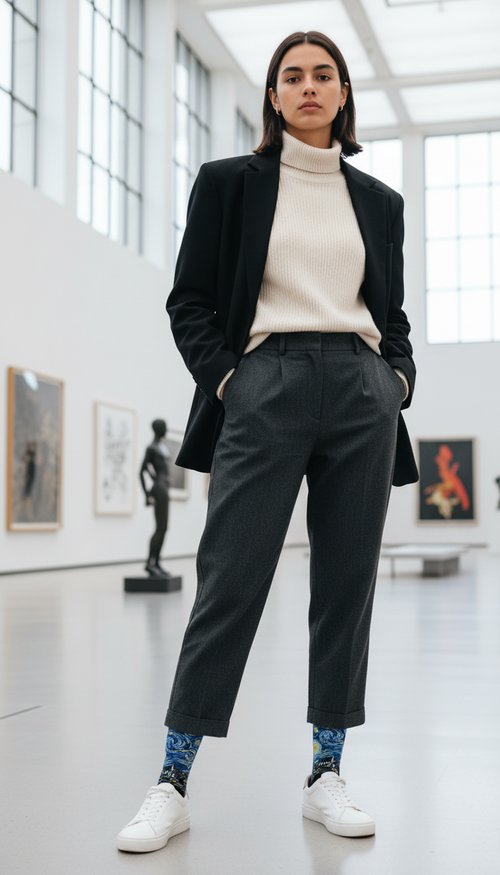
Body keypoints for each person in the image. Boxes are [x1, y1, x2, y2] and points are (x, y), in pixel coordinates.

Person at [117, 30, 418, 853]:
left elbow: (391, 318)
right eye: (293, 76)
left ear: (345, 94)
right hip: (265, 382)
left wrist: (396, 380)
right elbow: (190, 301)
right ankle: (172, 780)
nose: (309, 86)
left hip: (360, 390)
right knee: (230, 579)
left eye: (325, 74)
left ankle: (327, 770)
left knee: (346, 586)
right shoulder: (228, 185)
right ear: (274, 97)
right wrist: (228, 380)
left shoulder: (380, 203)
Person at [139, 419, 171, 577]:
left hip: (163, 488)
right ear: (158, 429)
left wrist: (155, 478)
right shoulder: (151, 448)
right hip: (160, 489)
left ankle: (156, 562)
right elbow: (141, 470)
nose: (167, 429)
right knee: (159, 528)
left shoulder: (161, 447)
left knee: (164, 528)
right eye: (164, 427)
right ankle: (149, 563)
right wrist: (147, 494)